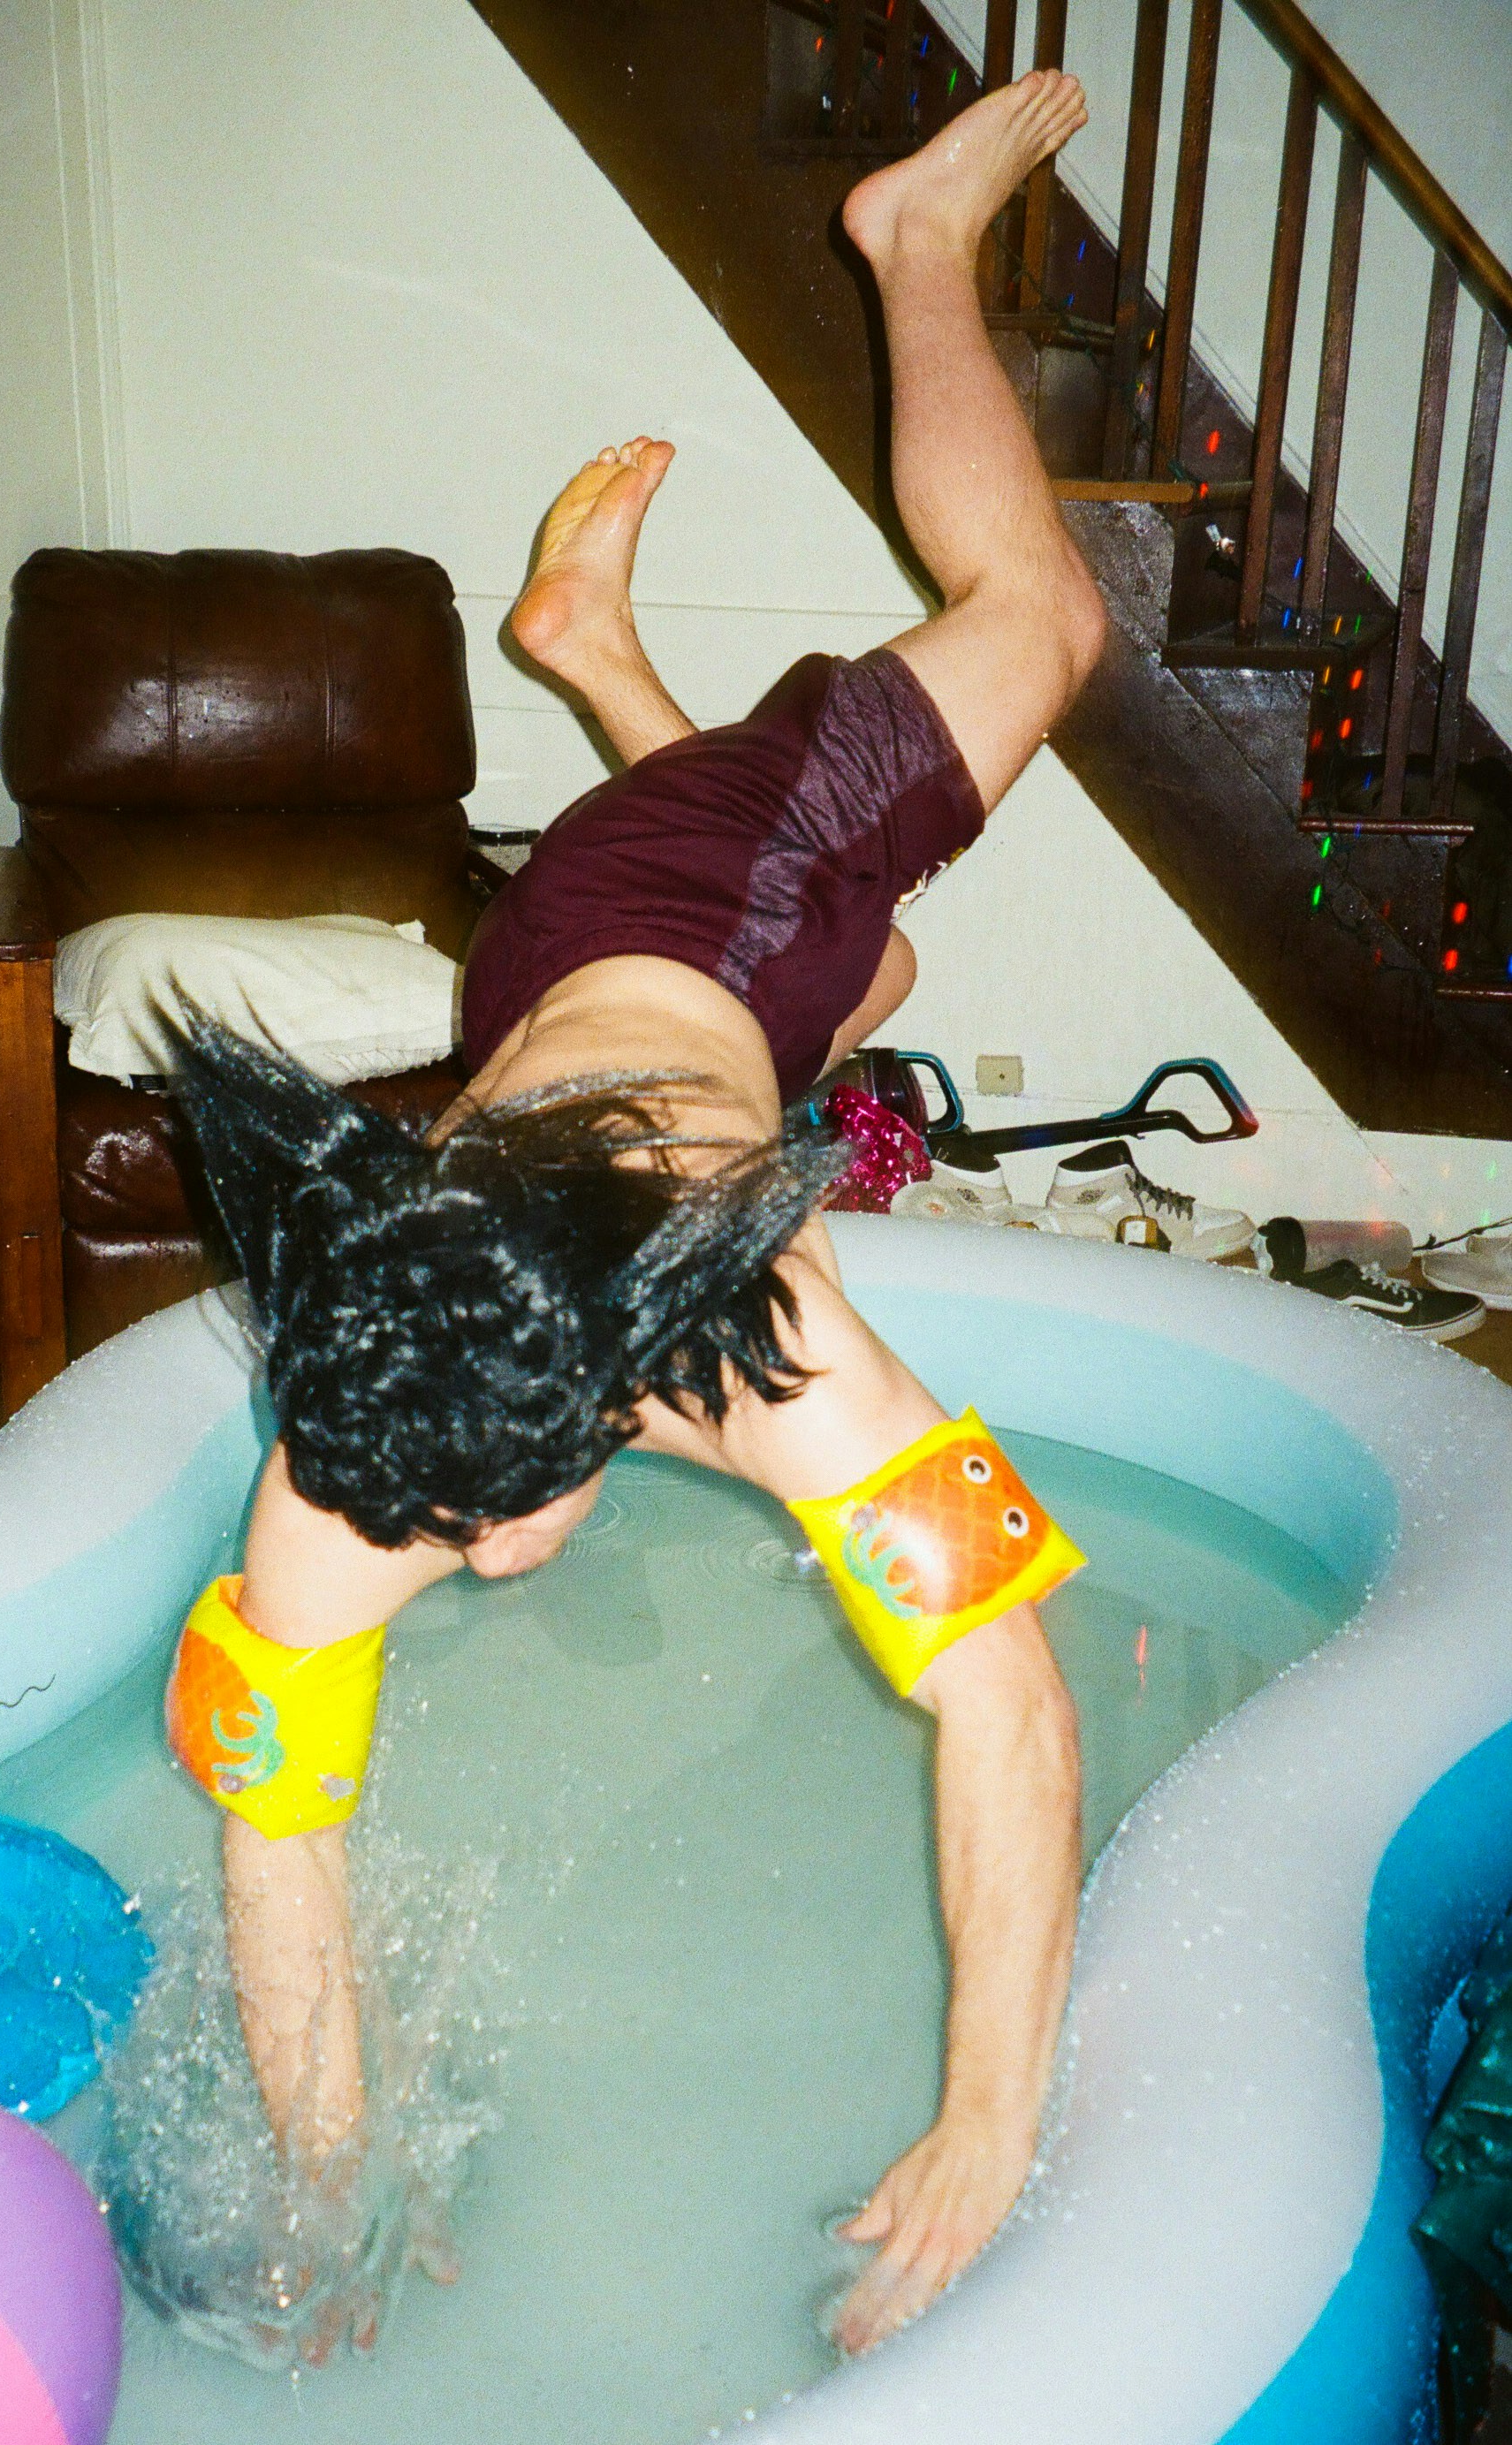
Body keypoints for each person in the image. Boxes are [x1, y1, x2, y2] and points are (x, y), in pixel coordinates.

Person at [165, 68, 1106, 2358]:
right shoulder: (353, 1418)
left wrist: (986, 2116)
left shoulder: (777, 1347)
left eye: (501, 1519)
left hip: (703, 895)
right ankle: (595, 658)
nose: (478, 1563)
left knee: (1041, 611)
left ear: (634, 1381)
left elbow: (1005, 1706)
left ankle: (904, 243)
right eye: (454, 1534)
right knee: (866, 984)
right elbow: (273, 1832)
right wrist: (326, 2180)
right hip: (587, 976)